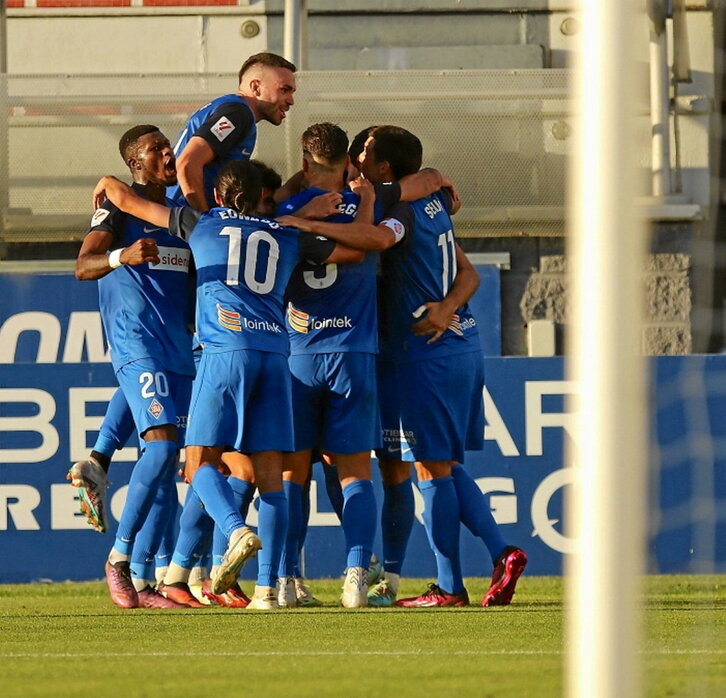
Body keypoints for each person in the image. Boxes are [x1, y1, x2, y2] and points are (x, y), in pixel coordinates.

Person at [278, 125, 528, 608]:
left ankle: (454, 583)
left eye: (364, 152)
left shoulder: (399, 210)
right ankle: (415, 573)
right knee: (434, 468)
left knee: (427, 472)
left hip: (421, 354)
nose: (355, 157)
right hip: (452, 343)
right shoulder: (432, 204)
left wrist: (306, 224)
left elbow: (372, 237)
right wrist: (448, 305)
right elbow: (468, 272)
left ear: (385, 168)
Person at [92, 159, 359, 609]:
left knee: (199, 463)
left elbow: (129, 201)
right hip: (277, 356)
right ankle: (269, 592)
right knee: (271, 476)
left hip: (224, 353)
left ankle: (235, 530)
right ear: (261, 199)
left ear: (219, 196)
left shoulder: (200, 223)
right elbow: (351, 252)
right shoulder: (287, 235)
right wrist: (309, 216)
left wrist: (107, 183)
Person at [76, 124, 196, 609]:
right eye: (156, 150)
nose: (167, 153)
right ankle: (119, 562)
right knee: (163, 448)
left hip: (181, 349)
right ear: (135, 163)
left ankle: (145, 582)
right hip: (136, 342)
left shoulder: (178, 215)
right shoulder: (117, 209)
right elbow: (83, 265)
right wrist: (121, 255)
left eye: (169, 147)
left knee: (168, 469)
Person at [276, 123, 378, 608]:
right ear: (349, 162)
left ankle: (288, 578)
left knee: (293, 473)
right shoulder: (365, 209)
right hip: (352, 351)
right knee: (354, 471)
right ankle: (358, 572)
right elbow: (368, 244)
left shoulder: (283, 213)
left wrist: (292, 207)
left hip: (297, 355)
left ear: (304, 158)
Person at [168, 51, 296, 211]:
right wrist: (204, 221)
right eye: (284, 90)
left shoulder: (232, 109)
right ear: (256, 87)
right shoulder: (237, 114)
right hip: (180, 220)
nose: (291, 100)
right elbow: (187, 163)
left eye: (292, 92)